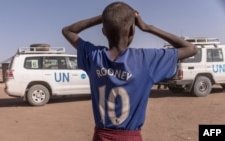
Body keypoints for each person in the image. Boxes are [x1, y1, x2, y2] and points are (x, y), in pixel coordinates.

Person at [62, 1, 197, 141]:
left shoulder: (93, 56)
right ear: (132, 31)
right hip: (130, 138)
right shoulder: (145, 59)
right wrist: (148, 28)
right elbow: (191, 49)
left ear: (103, 31)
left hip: (101, 136)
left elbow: (67, 31)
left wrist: (104, 18)